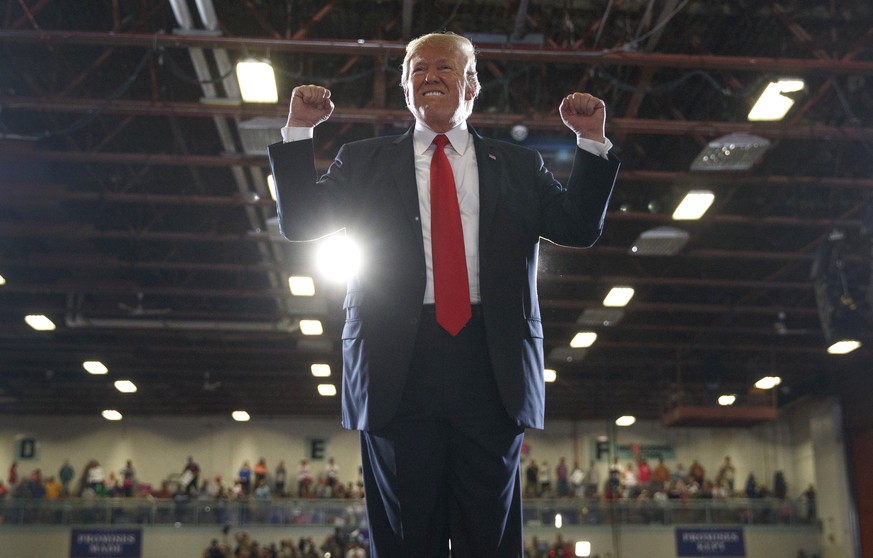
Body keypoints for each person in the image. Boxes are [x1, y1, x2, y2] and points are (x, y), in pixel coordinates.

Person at [268, 31, 619, 557]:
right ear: (406, 90)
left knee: (489, 533)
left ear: (472, 85)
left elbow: (577, 226)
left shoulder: (520, 166)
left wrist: (591, 140)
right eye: (418, 70)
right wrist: (298, 130)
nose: (430, 75)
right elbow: (300, 222)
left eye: (445, 67)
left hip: (491, 364)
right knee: (408, 533)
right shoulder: (363, 160)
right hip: (396, 368)